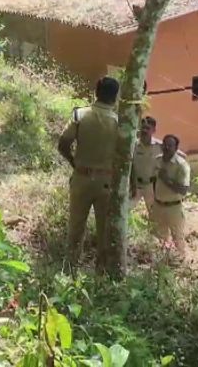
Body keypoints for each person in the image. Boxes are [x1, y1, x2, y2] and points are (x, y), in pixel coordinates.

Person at [57, 77, 120, 266]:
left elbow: (63, 144)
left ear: (96, 92)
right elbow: (126, 156)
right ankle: (101, 272)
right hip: (107, 182)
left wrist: (74, 162)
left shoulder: (80, 115)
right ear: (115, 97)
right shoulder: (119, 123)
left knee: (75, 227)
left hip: (82, 177)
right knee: (105, 231)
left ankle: (70, 267)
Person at [152, 134, 191, 257]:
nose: (166, 147)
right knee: (160, 238)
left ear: (176, 148)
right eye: (165, 144)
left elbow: (183, 190)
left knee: (178, 237)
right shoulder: (157, 160)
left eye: (170, 145)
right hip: (158, 205)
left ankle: (182, 262)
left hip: (174, 208)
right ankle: (164, 262)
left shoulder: (181, 165)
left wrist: (166, 180)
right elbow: (154, 180)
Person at [131, 116, 161, 216]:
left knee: (154, 216)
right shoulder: (133, 146)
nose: (144, 130)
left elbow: (181, 155)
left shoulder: (159, 146)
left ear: (154, 130)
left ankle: (154, 232)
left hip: (151, 187)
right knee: (125, 211)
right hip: (136, 186)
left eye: (148, 128)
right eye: (142, 127)